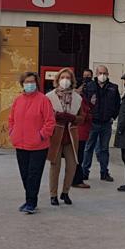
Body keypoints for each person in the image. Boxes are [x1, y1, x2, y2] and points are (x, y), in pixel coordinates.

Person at [8, 71, 55, 214]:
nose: (30, 84)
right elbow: (11, 119)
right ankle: (29, 199)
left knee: (33, 175)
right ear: (22, 84)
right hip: (20, 144)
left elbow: (50, 121)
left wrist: (41, 135)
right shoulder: (18, 100)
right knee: (24, 174)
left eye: (32, 82)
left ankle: (31, 202)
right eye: (27, 82)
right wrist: (12, 132)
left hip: (38, 146)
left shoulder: (43, 100)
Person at [46, 68, 83, 206]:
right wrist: (56, 116)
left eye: (68, 77)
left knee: (72, 165)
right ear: (58, 79)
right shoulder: (49, 97)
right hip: (56, 134)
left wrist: (73, 118)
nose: (65, 80)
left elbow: (82, 118)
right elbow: (45, 116)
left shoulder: (78, 98)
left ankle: (65, 192)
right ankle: (53, 195)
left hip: (71, 134)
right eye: (63, 77)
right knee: (55, 165)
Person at [81, 65, 120, 182]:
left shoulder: (113, 87)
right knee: (88, 148)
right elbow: (84, 103)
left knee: (104, 149)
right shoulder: (89, 86)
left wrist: (113, 116)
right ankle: (84, 172)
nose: (103, 75)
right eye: (100, 73)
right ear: (96, 74)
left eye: (105, 73)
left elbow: (118, 104)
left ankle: (104, 172)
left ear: (108, 74)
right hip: (92, 123)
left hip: (106, 123)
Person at [72, 75, 95, 190]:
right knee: (78, 157)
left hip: (84, 131)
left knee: (79, 156)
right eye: (82, 86)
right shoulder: (76, 98)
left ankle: (76, 178)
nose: (83, 89)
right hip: (79, 131)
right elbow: (82, 114)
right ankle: (76, 179)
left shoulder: (82, 97)